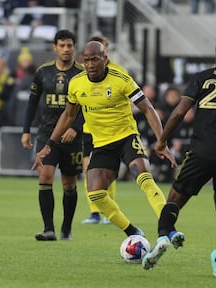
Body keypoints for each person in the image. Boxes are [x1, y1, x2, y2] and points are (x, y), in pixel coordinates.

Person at [142, 35, 216, 277]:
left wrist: (162, 140)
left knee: (174, 198)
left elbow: (179, 112)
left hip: (202, 152)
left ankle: (164, 235)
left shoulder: (201, 78)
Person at [33, 41, 176, 238]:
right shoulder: (76, 83)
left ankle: (168, 228)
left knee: (143, 177)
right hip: (102, 144)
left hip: (126, 137)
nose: (90, 64)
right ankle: (133, 232)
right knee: (96, 194)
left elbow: (148, 108)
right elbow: (68, 115)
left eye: (95, 59)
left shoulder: (121, 79)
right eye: (87, 60)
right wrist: (49, 144)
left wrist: (162, 141)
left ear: (105, 59)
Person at [21, 29, 84, 241]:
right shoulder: (43, 72)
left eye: (69, 45)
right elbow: (32, 103)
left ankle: (67, 228)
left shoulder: (83, 74)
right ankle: (49, 229)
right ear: (55, 47)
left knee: (69, 183)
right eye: (62, 45)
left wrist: (75, 127)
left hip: (72, 137)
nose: (66, 49)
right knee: (45, 176)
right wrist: (26, 130)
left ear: (74, 47)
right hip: (47, 134)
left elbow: (89, 106)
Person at [80, 34, 127, 225]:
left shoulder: (118, 71)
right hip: (88, 129)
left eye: (104, 46)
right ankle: (94, 213)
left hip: (111, 131)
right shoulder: (84, 73)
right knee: (88, 169)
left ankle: (109, 210)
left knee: (108, 171)